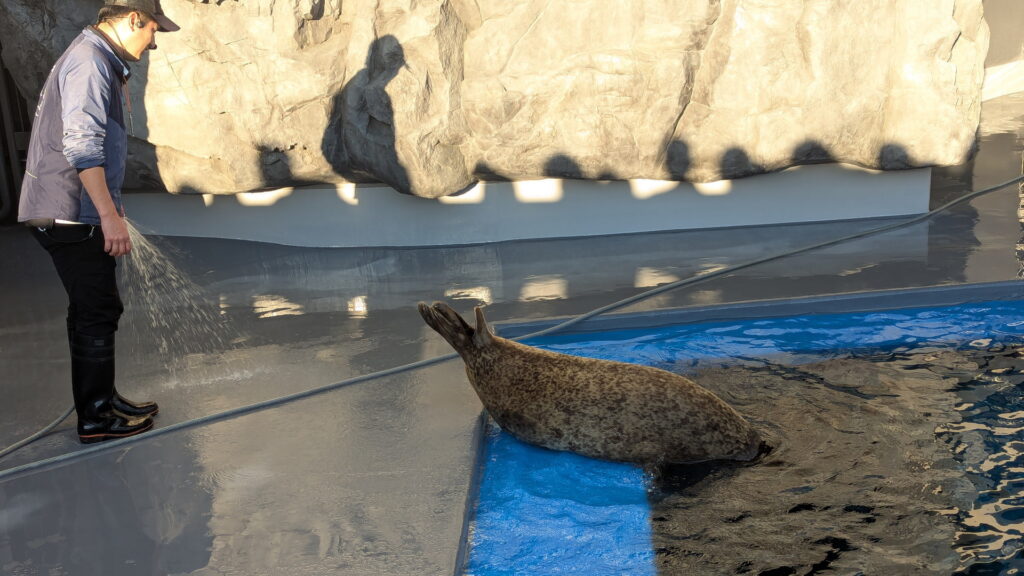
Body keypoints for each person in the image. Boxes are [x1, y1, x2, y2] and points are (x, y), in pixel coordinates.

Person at [18, 1, 179, 444]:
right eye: (153, 30)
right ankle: (95, 418)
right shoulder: (90, 62)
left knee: (93, 308)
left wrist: (111, 207)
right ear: (133, 19)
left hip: (72, 210)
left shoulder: (96, 57)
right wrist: (108, 216)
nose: (154, 42)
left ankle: (104, 400)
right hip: (70, 211)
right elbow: (82, 145)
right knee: (96, 310)